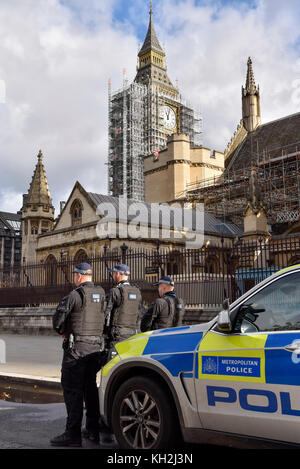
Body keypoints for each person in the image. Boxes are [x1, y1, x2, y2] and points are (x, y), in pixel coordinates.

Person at [50, 262, 106, 447]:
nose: (74, 278)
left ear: (79, 276)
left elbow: (58, 322)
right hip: (96, 350)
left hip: (76, 351)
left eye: (75, 275)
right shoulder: (101, 294)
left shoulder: (75, 295)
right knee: (90, 389)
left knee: (73, 391)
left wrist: (64, 332)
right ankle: (92, 429)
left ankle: (72, 434)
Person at [104, 264, 143, 349]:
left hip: (117, 335)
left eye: (114, 273)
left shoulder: (115, 291)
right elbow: (140, 314)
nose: (113, 276)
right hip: (133, 334)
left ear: (118, 274)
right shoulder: (137, 292)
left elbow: (105, 313)